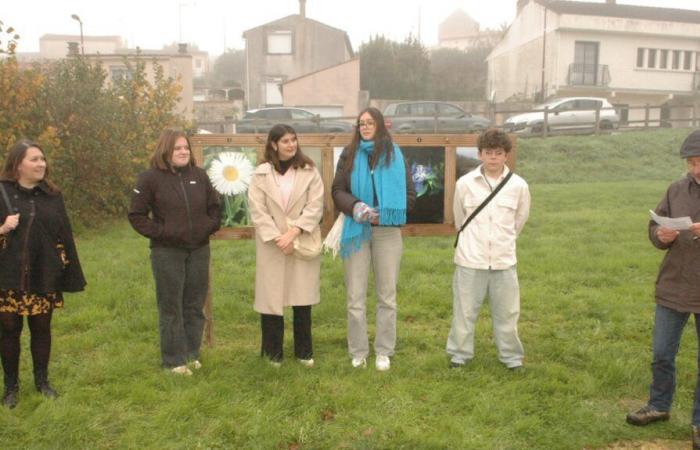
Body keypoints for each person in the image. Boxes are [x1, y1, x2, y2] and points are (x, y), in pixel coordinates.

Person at [626, 129, 700, 448]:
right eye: (691, 162)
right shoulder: (676, 188)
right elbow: (655, 227)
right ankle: (658, 405)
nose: (696, 168)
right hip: (674, 285)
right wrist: (661, 235)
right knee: (661, 354)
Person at [0, 140, 86, 408]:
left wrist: (69, 271)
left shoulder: (52, 195)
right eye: (34, 159)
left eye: (42, 159)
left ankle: (42, 382)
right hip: (8, 275)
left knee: (41, 329)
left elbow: (65, 235)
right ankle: (11, 387)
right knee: (9, 329)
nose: (41, 164)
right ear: (17, 165)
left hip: (43, 273)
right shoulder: (1, 192)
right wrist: (2, 228)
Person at [128, 129, 221, 376]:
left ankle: (192, 354)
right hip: (167, 252)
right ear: (165, 150)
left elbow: (215, 207)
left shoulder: (199, 176)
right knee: (171, 307)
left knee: (194, 304)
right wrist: (162, 232)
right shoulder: (149, 179)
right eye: (177, 148)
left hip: (199, 250)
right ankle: (173, 360)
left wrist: (207, 228)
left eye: (186, 148)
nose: (183, 152)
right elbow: (136, 215)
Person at [332, 107, 415, 371]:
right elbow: (337, 190)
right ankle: (358, 351)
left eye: (369, 123)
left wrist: (386, 214)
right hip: (356, 229)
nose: (364, 127)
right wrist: (357, 207)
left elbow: (409, 196)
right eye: (360, 124)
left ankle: (383, 350)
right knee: (355, 296)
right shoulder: (349, 154)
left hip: (387, 231)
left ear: (380, 125)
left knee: (387, 296)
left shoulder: (395, 155)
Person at [446, 128, 530, 370]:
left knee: (507, 314)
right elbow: (459, 218)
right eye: (488, 152)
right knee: (464, 312)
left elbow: (519, 221)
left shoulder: (519, 186)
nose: (493, 157)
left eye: (498, 153)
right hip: (470, 259)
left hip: (504, 260)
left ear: (506, 155)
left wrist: (502, 242)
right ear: (480, 154)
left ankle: (512, 358)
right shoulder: (464, 184)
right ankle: (459, 355)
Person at [248, 124, 324, 367]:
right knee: (272, 299)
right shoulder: (260, 174)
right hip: (272, 244)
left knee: (302, 298)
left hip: (300, 240)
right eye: (285, 141)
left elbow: (315, 206)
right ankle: (272, 354)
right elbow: (257, 210)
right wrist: (277, 237)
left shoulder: (309, 171)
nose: (291, 145)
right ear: (273, 144)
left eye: (294, 140)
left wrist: (294, 232)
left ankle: (304, 352)